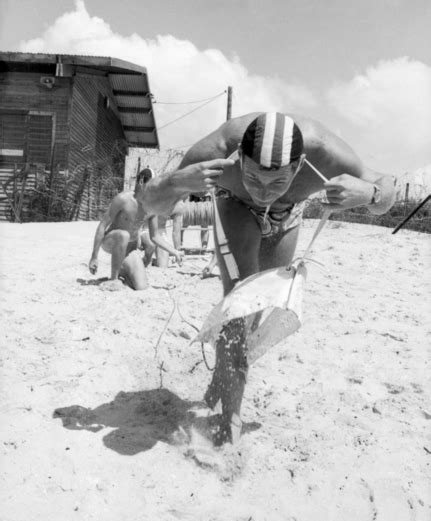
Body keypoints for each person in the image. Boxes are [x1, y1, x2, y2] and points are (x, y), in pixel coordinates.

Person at [143, 112, 396, 442]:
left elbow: (385, 192)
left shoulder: (323, 150)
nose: (263, 192)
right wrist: (174, 182)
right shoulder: (215, 150)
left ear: (300, 164)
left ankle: (222, 380)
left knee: (257, 311)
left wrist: (371, 194)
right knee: (241, 304)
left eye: (277, 181)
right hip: (233, 205)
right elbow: (149, 205)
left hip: (287, 215)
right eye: (254, 178)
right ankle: (230, 416)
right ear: (240, 158)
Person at [88, 167, 182, 289]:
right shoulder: (123, 199)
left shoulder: (151, 207)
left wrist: (174, 251)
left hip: (129, 249)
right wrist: (94, 257)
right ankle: (113, 279)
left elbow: (155, 236)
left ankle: (123, 270)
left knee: (141, 287)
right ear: (141, 182)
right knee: (123, 235)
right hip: (112, 241)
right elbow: (102, 226)